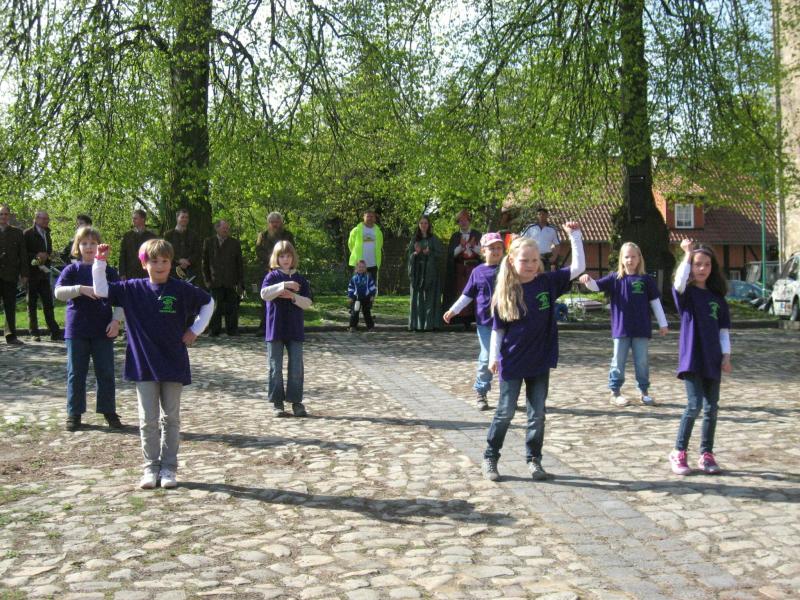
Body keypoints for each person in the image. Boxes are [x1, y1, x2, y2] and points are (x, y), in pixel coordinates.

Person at [92, 239, 214, 489]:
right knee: (148, 419)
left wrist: (195, 329)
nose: (160, 266)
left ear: (171, 263)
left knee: (171, 418)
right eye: (154, 261)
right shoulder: (132, 289)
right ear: (144, 264)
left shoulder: (180, 289)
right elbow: (101, 290)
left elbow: (208, 302)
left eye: (165, 261)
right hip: (144, 363)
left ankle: (169, 468)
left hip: (173, 362)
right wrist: (99, 261)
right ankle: (150, 467)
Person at [482, 222, 585, 482]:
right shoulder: (506, 291)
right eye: (525, 260)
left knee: (537, 414)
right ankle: (491, 456)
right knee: (505, 412)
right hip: (513, 361)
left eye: (535, 260)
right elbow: (498, 330)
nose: (530, 265)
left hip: (540, 360)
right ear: (512, 261)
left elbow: (578, 268)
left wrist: (575, 236)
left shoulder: (547, 282)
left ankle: (534, 460)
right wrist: (493, 358)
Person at [578, 242, 669, 407]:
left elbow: (655, 302)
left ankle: (644, 392)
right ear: (621, 259)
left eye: (633, 256)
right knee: (618, 361)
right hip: (621, 330)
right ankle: (615, 392)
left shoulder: (646, 279)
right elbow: (596, 286)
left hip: (641, 329)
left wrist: (663, 323)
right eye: (626, 257)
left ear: (639, 258)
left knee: (642, 362)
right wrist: (588, 280)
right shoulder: (615, 278)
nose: (630, 260)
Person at [669, 239, 731, 476]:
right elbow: (678, 282)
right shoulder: (686, 294)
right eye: (697, 264)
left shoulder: (718, 299)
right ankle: (678, 451)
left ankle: (706, 454)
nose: (702, 268)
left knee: (711, 408)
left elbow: (723, 331)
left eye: (707, 264)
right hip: (692, 358)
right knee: (694, 405)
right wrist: (687, 254)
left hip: (712, 359)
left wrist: (726, 356)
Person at [54, 226, 124, 432]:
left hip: (103, 329)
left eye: (93, 243)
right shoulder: (72, 270)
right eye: (84, 243)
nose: (89, 247)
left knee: (106, 372)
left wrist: (116, 321)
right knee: (76, 372)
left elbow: (121, 299)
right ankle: (74, 413)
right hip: (77, 329)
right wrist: (80, 289)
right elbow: (58, 292)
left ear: (99, 246)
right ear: (78, 247)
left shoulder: (108, 271)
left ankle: (108, 410)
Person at [443, 232, 505, 410]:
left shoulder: (508, 268)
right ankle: (481, 391)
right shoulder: (478, 271)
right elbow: (467, 295)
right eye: (491, 248)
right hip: (485, 323)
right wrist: (453, 310)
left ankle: (508, 394)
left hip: (507, 321)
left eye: (499, 248)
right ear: (483, 251)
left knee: (506, 358)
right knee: (487, 357)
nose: (496, 251)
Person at [260, 240, 313, 417]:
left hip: (295, 328)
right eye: (282, 256)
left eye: (288, 256)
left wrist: (292, 296)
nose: (285, 259)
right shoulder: (271, 277)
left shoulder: (300, 279)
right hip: (275, 328)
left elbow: (307, 302)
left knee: (296, 367)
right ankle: (277, 403)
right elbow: (264, 294)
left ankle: (296, 402)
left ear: (293, 257)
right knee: (275, 367)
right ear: (276, 258)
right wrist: (283, 285)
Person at [23, 210, 62, 341]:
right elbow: (23, 254)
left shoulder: (47, 233)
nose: (46, 221)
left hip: (44, 274)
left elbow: (48, 251)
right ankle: (34, 332)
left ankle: (54, 332)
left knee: (48, 303)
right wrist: (36, 256)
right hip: (31, 274)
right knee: (32, 304)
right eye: (44, 218)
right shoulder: (27, 233)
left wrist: (47, 256)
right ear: (36, 219)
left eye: (47, 219)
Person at [255, 212, 295, 335]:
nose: (275, 225)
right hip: (267, 271)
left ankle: (285, 328)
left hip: (284, 271)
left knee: (284, 299)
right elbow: (258, 251)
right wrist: (272, 262)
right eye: (272, 222)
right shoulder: (262, 236)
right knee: (266, 300)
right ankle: (264, 327)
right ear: (268, 223)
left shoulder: (288, 235)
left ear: (281, 223)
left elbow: (291, 251)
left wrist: (281, 262)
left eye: (277, 222)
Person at [202, 219, 244, 336]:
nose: (226, 230)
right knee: (215, 307)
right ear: (217, 228)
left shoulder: (234, 243)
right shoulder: (209, 242)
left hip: (231, 280)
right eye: (224, 228)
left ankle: (232, 330)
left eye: (227, 228)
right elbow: (205, 263)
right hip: (215, 281)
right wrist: (207, 281)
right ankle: (214, 330)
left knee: (232, 307)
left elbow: (239, 263)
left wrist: (240, 281)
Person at [444, 210, 482, 329]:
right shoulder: (455, 236)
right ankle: (461, 319)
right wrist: (461, 246)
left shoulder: (477, 235)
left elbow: (483, 253)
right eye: (460, 221)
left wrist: (473, 246)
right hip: (460, 271)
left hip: (474, 269)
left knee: (474, 293)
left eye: (465, 220)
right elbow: (451, 254)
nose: (463, 223)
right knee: (462, 293)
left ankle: (474, 319)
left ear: (469, 221)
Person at [407, 215, 444, 332]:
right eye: (421, 223)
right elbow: (409, 256)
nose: (423, 225)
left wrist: (430, 253)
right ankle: (417, 325)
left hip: (430, 273)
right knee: (418, 299)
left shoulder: (434, 239)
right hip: (418, 273)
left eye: (425, 223)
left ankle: (431, 324)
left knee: (430, 298)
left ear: (429, 225)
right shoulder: (414, 239)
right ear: (418, 225)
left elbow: (440, 255)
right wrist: (415, 254)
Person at [0, 204, 28, 345]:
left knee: (10, 306)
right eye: (1, 214)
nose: (3, 217)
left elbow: (23, 255)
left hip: (10, 274)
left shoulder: (17, 233)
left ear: (9, 216)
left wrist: (24, 274)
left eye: (6, 214)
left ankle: (11, 336)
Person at [164, 208, 202, 283]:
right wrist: (178, 260)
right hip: (172, 270)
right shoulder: (168, 235)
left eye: (186, 217)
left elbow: (198, 251)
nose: (185, 219)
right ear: (177, 218)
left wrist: (188, 261)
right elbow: (166, 251)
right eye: (182, 217)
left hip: (190, 270)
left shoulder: (194, 235)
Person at [347, 209, 383, 284]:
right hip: (360, 265)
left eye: (372, 216)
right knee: (358, 285)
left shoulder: (378, 231)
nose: (370, 218)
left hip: (373, 264)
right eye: (368, 216)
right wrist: (356, 255)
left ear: (375, 218)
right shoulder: (356, 230)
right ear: (363, 217)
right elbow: (351, 244)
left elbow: (380, 245)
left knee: (371, 286)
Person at [118, 209, 156, 280]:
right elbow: (122, 255)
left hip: (147, 273)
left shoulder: (151, 237)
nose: (133, 220)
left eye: (135, 218)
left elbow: (155, 255)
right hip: (130, 273)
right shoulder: (127, 236)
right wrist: (122, 273)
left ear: (143, 219)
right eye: (133, 218)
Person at [520, 207, 561, 271]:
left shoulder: (552, 229)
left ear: (547, 216)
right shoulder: (530, 227)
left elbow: (557, 244)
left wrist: (554, 257)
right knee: (532, 274)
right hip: (532, 256)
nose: (541, 216)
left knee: (546, 275)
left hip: (546, 258)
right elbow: (521, 240)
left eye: (543, 214)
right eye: (539, 214)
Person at [348, 259, 377, 331]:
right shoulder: (354, 278)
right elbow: (351, 288)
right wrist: (351, 297)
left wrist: (372, 295)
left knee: (367, 312)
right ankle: (353, 326)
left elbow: (372, 287)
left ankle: (370, 327)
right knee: (355, 312)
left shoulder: (368, 277)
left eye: (363, 267)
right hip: (356, 298)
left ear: (365, 268)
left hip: (366, 297)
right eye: (359, 267)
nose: (361, 268)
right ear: (356, 268)